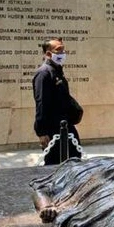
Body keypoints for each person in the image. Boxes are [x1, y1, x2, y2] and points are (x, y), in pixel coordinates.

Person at [32, 37, 82, 165]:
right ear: (48, 54)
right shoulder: (43, 74)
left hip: (65, 126)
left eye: (63, 50)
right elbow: (41, 103)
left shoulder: (57, 71)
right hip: (53, 129)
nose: (63, 53)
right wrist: (42, 132)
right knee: (54, 164)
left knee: (74, 159)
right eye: (59, 50)